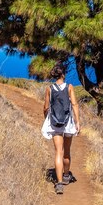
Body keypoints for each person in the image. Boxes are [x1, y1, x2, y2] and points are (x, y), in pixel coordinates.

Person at [42, 63, 81, 194]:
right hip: (68, 123)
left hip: (54, 123)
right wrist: (77, 122)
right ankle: (65, 176)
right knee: (67, 151)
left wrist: (46, 119)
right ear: (63, 74)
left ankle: (59, 184)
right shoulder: (70, 87)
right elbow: (74, 105)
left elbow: (46, 107)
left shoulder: (49, 88)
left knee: (58, 151)